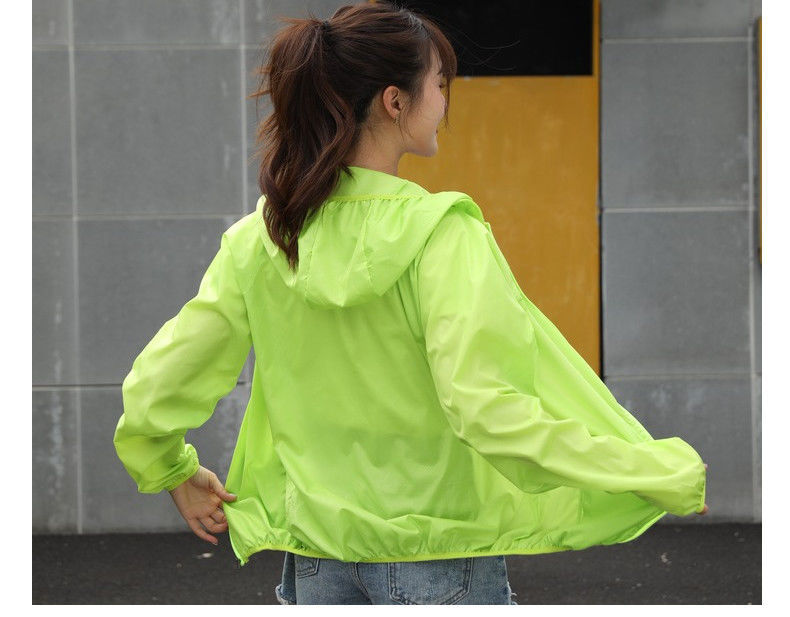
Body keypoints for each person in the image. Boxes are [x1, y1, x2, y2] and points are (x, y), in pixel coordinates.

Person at [113, 1, 708, 606]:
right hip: (438, 559)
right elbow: (487, 411)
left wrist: (171, 469)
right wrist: (653, 471)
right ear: (395, 101)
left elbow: (164, 380)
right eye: (440, 84)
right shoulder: (441, 233)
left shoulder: (262, 239)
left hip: (317, 559)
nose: (445, 103)